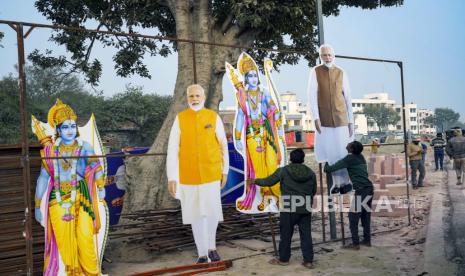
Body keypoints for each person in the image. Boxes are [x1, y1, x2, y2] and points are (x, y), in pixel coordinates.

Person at [32, 99, 107, 275]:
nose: (70, 130)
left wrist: (101, 186)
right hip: (57, 200)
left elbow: (96, 167)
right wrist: (37, 205)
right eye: (65, 127)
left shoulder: (85, 147)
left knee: (85, 238)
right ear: (58, 129)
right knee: (66, 245)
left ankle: (92, 273)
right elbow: (43, 178)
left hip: (82, 197)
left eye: (73, 126)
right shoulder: (50, 151)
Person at [167, 84, 229, 263]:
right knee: (195, 214)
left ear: (203, 97)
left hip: (211, 173)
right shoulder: (180, 119)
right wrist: (172, 176)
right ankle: (202, 253)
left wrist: (224, 171)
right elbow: (172, 149)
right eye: (191, 96)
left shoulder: (212, 117)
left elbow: (223, 145)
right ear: (187, 98)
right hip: (188, 175)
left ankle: (212, 247)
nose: (194, 99)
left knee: (211, 213)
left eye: (197, 95)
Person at [227, 52, 283, 211]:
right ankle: (266, 196)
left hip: (267, 132)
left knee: (272, 165)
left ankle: (278, 195)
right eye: (250, 76)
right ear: (245, 78)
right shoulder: (242, 96)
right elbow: (240, 116)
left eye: (255, 75)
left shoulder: (264, 92)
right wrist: (237, 136)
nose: (253, 78)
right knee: (259, 168)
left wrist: (276, 115)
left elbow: (273, 107)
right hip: (252, 134)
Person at [252, 149, 317, 269]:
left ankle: (284, 259)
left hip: (288, 208)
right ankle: (308, 261)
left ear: (291, 158)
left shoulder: (283, 171)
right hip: (305, 208)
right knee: (306, 235)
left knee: (286, 235)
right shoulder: (311, 173)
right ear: (303, 159)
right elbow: (313, 191)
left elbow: (268, 181)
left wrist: (254, 181)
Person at [307, 44, 354, 194]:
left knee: (343, 152)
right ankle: (337, 183)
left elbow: (348, 98)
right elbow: (311, 96)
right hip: (324, 119)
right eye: (324, 55)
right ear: (320, 56)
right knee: (332, 153)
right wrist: (315, 118)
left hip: (341, 118)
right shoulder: (315, 71)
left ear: (334, 56)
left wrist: (351, 121)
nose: (327, 57)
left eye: (329, 55)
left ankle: (346, 183)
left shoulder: (341, 72)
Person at [324, 141, 374, 250]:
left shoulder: (349, 159)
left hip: (361, 191)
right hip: (369, 189)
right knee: (365, 216)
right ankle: (367, 240)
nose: (346, 145)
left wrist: (327, 159)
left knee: (353, 217)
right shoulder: (360, 157)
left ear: (351, 149)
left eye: (349, 144)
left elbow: (328, 169)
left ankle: (355, 244)